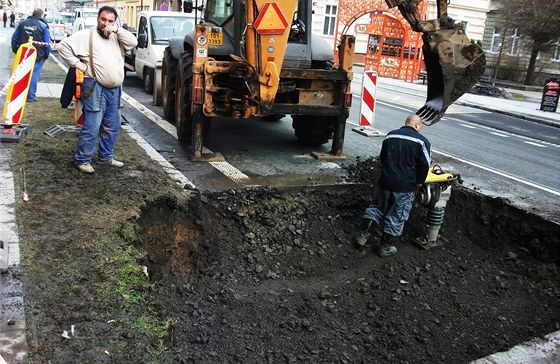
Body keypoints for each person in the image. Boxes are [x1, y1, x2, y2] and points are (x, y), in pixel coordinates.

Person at [57, 6, 137, 174]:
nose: (106, 24)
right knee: (93, 125)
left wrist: (116, 30)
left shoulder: (117, 36)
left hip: (115, 89)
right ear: (98, 19)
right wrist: (78, 64)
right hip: (95, 87)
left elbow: (133, 42)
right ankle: (82, 160)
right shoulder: (87, 35)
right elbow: (63, 47)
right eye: (103, 20)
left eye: (110, 21)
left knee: (112, 125)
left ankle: (106, 157)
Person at [355, 114, 431, 257]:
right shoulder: (422, 141)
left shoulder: (390, 136)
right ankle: (385, 247)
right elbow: (425, 165)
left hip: (385, 181)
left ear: (406, 122)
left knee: (376, 208)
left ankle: (362, 236)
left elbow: (383, 157)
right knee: (397, 215)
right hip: (405, 185)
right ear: (417, 126)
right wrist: (419, 181)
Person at [11, 8, 51, 102]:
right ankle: (31, 95)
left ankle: (19, 93)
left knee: (21, 73)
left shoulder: (22, 23)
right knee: (34, 75)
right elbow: (47, 42)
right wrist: (46, 54)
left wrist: (16, 50)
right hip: (38, 55)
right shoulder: (43, 26)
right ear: (41, 15)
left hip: (24, 53)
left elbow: (14, 38)